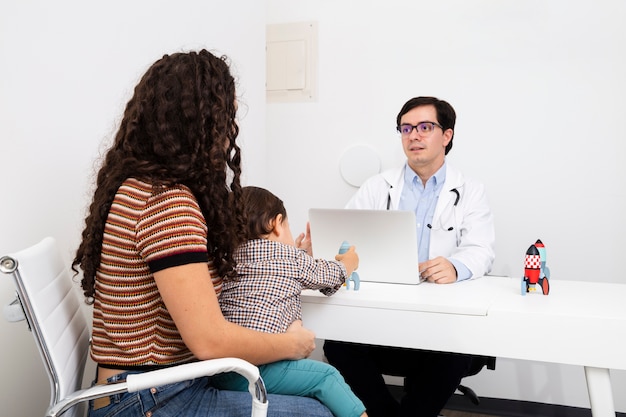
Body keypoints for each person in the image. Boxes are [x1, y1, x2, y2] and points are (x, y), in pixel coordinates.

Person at [72, 49, 334, 417]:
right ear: (201, 122)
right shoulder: (165, 202)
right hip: (148, 400)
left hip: (140, 389)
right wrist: (289, 344)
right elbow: (210, 341)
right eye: (225, 116)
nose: (229, 131)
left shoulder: (143, 187)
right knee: (320, 411)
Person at [323, 96, 496, 417]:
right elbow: (344, 239)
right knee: (338, 346)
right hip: (383, 315)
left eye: (424, 127)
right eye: (406, 128)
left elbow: (481, 249)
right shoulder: (378, 187)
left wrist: (456, 266)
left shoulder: (471, 190)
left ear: (447, 136)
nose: (413, 135)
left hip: (440, 321)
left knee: (455, 353)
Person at [214, 186, 366, 417]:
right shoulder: (290, 258)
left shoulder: (228, 257)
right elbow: (331, 275)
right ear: (276, 223)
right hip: (259, 368)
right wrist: (350, 262)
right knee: (328, 377)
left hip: (221, 372)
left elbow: (271, 275)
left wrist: (299, 253)